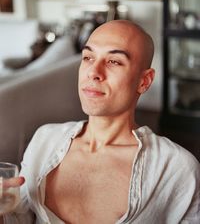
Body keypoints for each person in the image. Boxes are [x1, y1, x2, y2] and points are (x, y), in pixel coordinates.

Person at [1, 20, 200, 223]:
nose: (93, 72)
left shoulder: (176, 169)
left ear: (144, 81)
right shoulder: (44, 140)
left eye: (114, 61)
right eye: (88, 57)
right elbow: (18, 218)